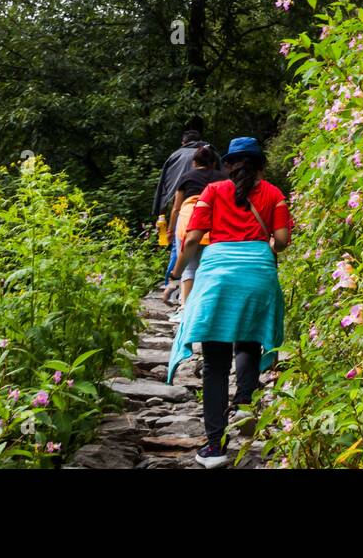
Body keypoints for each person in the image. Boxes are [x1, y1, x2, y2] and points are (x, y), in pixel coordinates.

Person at [167, 136, 292, 469]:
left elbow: (193, 238)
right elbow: (281, 241)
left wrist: (178, 273)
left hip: (218, 275)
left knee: (215, 364)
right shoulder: (274, 194)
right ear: (260, 164)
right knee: (249, 343)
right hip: (257, 276)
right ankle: (245, 402)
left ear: (229, 164)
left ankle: (215, 447)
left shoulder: (212, 192)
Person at [168, 144, 225, 318]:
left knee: (189, 266)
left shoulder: (187, 177)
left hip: (188, 220)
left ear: (194, 162)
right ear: (214, 163)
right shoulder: (223, 177)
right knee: (211, 266)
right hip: (215, 220)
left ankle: (185, 306)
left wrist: (170, 229)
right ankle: (207, 306)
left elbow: (176, 208)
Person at [153, 127, 209, 299]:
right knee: (202, 255)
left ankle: (171, 289)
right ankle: (195, 294)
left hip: (184, 209)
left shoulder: (176, 156)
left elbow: (164, 188)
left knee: (179, 250)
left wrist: (161, 214)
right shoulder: (208, 153)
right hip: (209, 209)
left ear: (183, 142)